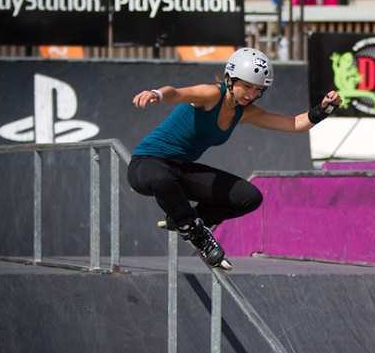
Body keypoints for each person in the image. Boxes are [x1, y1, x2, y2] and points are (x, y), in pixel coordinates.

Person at [127, 47, 341, 270]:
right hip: (146, 164)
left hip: (180, 171)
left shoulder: (247, 112)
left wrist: (323, 110)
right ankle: (195, 232)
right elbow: (177, 93)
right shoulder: (211, 95)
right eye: (247, 86)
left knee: (249, 196)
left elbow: (294, 124)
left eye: (258, 90)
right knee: (162, 177)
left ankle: (184, 218)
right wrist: (157, 94)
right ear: (230, 79)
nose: (251, 94)